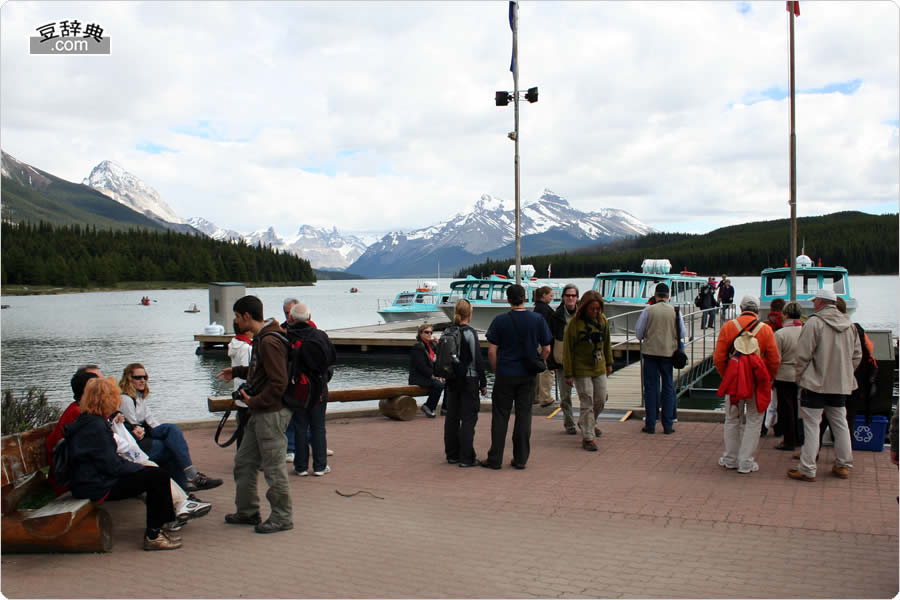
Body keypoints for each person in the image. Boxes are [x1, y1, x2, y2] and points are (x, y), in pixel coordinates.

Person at [66, 376, 181, 551]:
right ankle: (154, 534)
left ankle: (160, 526)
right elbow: (111, 466)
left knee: (155, 474)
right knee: (158, 477)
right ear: (107, 399)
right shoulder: (96, 426)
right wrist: (138, 468)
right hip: (95, 484)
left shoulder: (90, 420)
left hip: (90, 478)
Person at [216, 295, 293, 533]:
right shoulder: (264, 338)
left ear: (247, 316)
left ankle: (282, 517)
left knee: (273, 467)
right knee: (245, 462)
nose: (236, 322)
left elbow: (279, 381)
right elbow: (261, 370)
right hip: (259, 411)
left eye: (238, 317)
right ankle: (247, 511)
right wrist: (238, 370)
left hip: (270, 412)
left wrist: (256, 400)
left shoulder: (268, 341)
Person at [788, 289, 861, 482]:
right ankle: (843, 464)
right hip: (840, 384)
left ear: (821, 301)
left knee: (812, 425)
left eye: (815, 301)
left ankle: (807, 468)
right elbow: (857, 356)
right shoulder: (849, 324)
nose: (813, 304)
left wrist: (800, 377)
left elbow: (803, 355)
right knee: (840, 423)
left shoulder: (814, 323)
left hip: (815, 383)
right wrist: (845, 373)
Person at [118, 363, 222, 493]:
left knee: (172, 432)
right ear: (129, 379)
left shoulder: (139, 397)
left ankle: (188, 482)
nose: (143, 380)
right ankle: (189, 481)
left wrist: (167, 436)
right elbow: (133, 426)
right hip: (135, 440)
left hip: (146, 433)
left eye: (145, 377)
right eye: (138, 377)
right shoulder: (126, 400)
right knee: (169, 448)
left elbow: (151, 421)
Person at [480, 284, 552, 470]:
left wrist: (497, 370)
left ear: (508, 299)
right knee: (524, 415)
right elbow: (547, 348)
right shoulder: (537, 319)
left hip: (505, 373)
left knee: (500, 416)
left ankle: (495, 458)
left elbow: (492, 351)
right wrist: (539, 362)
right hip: (527, 374)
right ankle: (520, 458)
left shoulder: (499, 321)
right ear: (525, 298)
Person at [713, 295, 780, 473]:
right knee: (754, 420)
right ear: (758, 311)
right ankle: (745, 462)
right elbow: (774, 360)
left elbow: (719, 358)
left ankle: (730, 458)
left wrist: (727, 376)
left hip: (734, 382)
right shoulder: (766, 330)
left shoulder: (729, 327)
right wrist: (768, 379)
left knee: (732, 419)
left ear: (741, 308)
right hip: (756, 383)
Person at [285, 302, 336, 477]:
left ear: (290, 317)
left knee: (300, 426)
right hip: (319, 387)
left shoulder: (286, 337)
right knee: (318, 426)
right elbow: (332, 359)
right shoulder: (320, 336)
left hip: (297, 387)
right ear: (309, 317)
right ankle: (320, 466)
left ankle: (300, 467)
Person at [563, 290, 613, 451]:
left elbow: (607, 343)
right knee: (587, 401)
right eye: (592, 309)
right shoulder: (574, 324)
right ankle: (588, 437)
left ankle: (587, 422)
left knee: (601, 399)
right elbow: (568, 350)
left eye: (598, 309)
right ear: (584, 307)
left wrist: (609, 363)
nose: (595, 312)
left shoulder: (603, 320)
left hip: (599, 366)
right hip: (581, 368)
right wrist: (568, 373)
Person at [635, 283, 686, 435]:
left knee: (651, 388)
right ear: (668, 296)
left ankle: (650, 424)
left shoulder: (648, 310)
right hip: (668, 354)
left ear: (656, 295)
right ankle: (668, 425)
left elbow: (638, 333)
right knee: (668, 386)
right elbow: (682, 334)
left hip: (650, 353)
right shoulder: (676, 311)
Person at [443, 299, 488, 468]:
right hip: (469, 379)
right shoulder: (470, 332)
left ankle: (452, 454)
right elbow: (477, 360)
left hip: (452, 380)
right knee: (469, 418)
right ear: (469, 313)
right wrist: (483, 383)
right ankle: (466, 457)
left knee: (452, 417)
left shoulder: (448, 330)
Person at [47, 364, 102, 496]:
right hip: (70, 479)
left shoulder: (81, 410)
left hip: (78, 473)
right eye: (97, 382)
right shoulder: (78, 414)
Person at [548, 284, 580, 434]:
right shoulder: (556, 316)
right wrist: (551, 362)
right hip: (562, 361)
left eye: (573, 295)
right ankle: (570, 424)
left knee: (589, 395)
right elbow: (550, 339)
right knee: (565, 396)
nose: (571, 298)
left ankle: (590, 423)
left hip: (582, 361)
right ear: (563, 297)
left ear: (577, 297)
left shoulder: (583, 314)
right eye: (568, 295)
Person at [773, 301, 804, 451]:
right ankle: (799, 438)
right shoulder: (805, 330)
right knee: (799, 407)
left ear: (785, 314)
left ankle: (789, 440)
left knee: (786, 408)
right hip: (802, 374)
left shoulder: (780, 334)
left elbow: (776, 359)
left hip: (784, 375)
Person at [409, 322, 445, 418]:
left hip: (429, 376)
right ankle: (428, 406)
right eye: (426, 332)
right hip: (419, 377)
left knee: (448, 381)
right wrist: (434, 377)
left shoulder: (431, 345)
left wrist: (439, 346)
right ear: (420, 333)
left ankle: (445, 408)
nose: (429, 334)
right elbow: (421, 367)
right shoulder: (418, 347)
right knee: (439, 384)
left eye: (431, 332)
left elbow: (439, 360)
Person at [533, 286, 556, 407]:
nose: (552, 298)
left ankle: (535, 396)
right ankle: (546, 397)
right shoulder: (544, 309)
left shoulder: (538, 308)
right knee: (547, 370)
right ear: (544, 295)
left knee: (538, 370)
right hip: (544, 343)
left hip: (538, 343)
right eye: (551, 295)